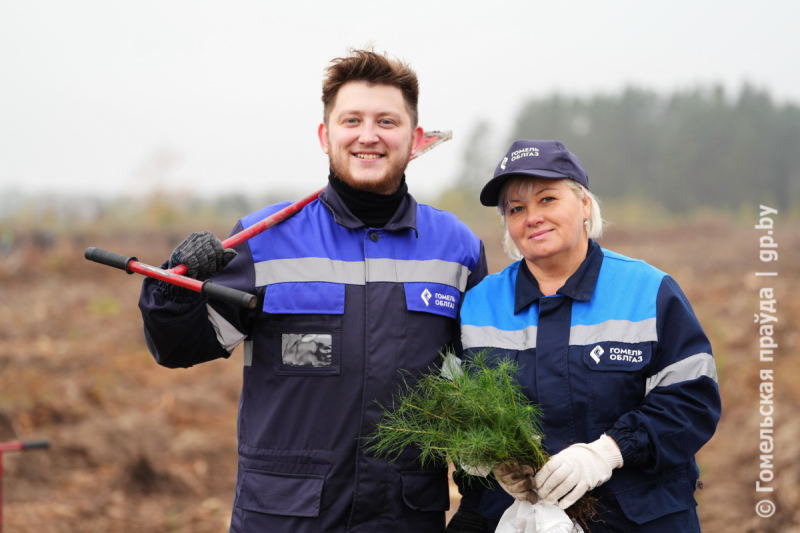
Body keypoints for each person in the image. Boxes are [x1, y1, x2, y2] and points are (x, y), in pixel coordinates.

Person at [138, 49, 488, 533]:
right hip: (284, 517)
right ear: (326, 136)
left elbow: (481, 393)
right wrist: (174, 287)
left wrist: (479, 508)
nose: (369, 135)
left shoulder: (458, 249)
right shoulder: (264, 239)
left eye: (387, 121)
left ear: (415, 139)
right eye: (352, 120)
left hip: (404, 518)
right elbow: (179, 348)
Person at [450, 140, 721, 532]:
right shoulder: (479, 306)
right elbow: (454, 408)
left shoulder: (647, 290)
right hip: (514, 518)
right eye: (516, 208)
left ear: (584, 205)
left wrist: (608, 452)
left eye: (547, 199)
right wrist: (488, 458)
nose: (533, 217)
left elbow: (692, 400)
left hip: (637, 518)